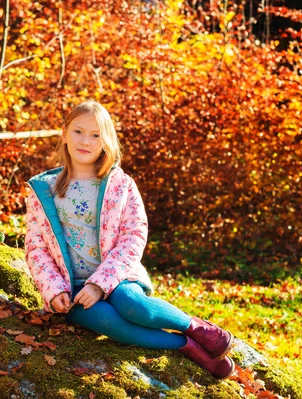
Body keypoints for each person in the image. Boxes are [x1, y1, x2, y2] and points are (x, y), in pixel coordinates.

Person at [24, 99, 235, 380]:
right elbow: (36, 247)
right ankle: (187, 346)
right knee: (108, 322)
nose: (85, 141)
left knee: (131, 306)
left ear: (106, 142)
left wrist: (101, 283)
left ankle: (197, 329)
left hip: (119, 276)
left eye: (95, 135)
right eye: (78, 131)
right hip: (72, 287)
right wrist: (53, 291)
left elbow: (134, 236)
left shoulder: (120, 185)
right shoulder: (43, 189)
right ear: (64, 133)